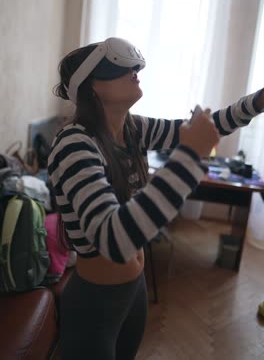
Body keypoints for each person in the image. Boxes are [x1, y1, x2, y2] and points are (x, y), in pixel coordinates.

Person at [48, 37, 264, 360]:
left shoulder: (134, 128)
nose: (135, 70)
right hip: (95, 304)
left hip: (135, 291)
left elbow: (209, 127)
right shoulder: (73, 143)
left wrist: (258, 102)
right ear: (92, 86)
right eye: (121, 67)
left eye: (134, 66)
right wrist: (190, 157)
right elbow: (113, 238)